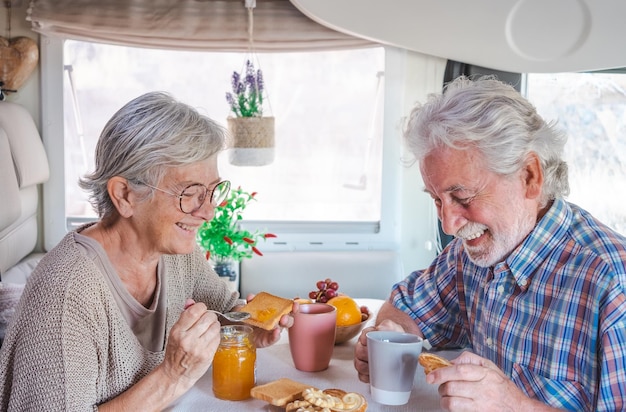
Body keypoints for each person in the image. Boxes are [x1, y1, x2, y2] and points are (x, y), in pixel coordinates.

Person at [0, 92, 295, 410]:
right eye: (190, 193)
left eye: (212, 192)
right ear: (125, 195)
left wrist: (248, 329)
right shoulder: (65, 294)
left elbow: (224, 311)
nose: (208, 212)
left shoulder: (176, 252)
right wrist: (173, 376)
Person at [354, 76, 626, 411]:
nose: (449, 224)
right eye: (438, 200)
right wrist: (388, 332)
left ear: (529, 177)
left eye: (463, 196)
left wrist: (514, 406)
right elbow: (405, 307)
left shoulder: (613, 282)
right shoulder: (470, 254)